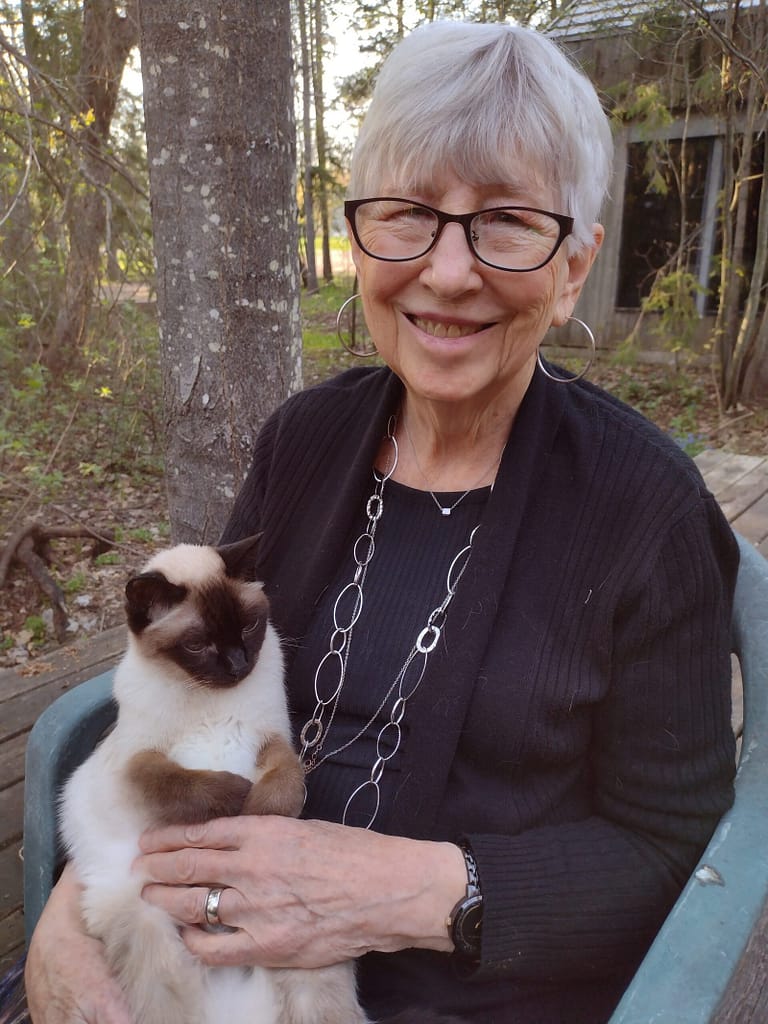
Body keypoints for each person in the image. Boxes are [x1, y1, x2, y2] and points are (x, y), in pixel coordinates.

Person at [25, 19, 737, 1024]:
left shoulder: (645, 508)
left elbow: (680, 849)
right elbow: (169, 708)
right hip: (191, 959)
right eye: (406, 214)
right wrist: (73, 912)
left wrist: (405, 894)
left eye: (507, 222)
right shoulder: (305, 440)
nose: (448, 273)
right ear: (363, 235)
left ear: (574, 263)